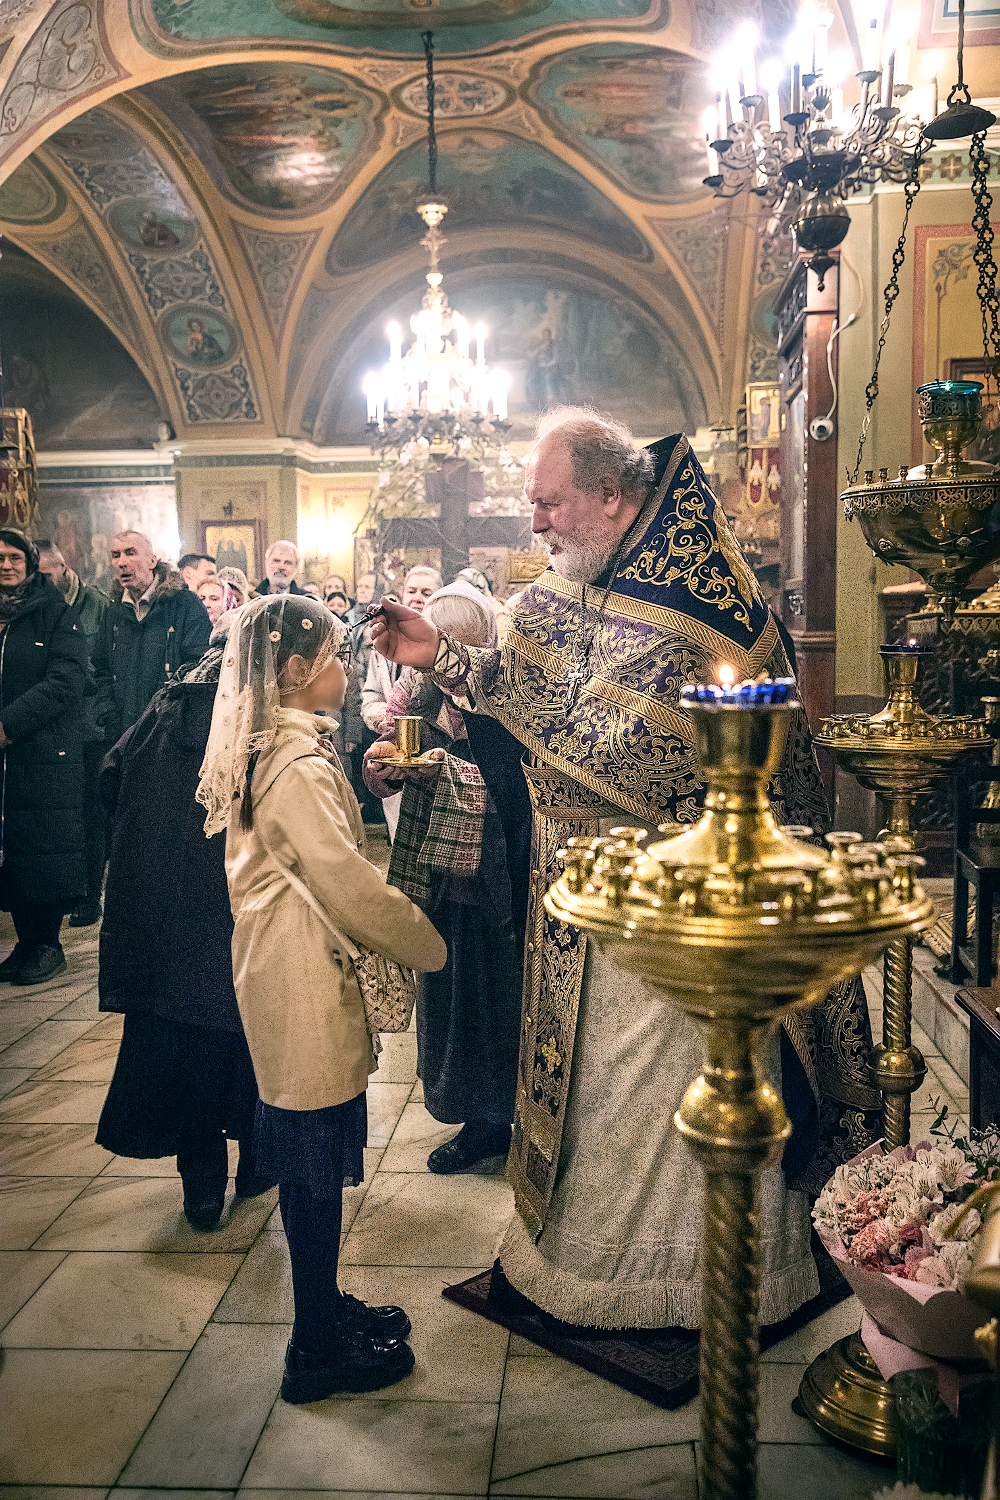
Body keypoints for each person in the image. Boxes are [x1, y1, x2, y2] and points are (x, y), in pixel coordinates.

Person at [369, 407, 881, 1335]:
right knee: (592, 1099)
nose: (537, 524)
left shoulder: (711, 610)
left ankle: (690, 1282)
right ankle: (581, 1256)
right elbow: (527, 692)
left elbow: (647, 751)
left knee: (663, 1095)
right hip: (574, 908)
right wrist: (437, 656)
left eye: (549, 503)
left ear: (610, 495)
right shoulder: (569, 591)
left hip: (681, 919)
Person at [197, 594, 446, 1401]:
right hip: (301, 973)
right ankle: (314, 1349)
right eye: (337, 658)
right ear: (300, 673)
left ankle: (325, 1307)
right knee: (309, 1163)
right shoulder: (297, 763)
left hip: (289, 967)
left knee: (315, 1146)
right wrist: (427, 942)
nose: (345, 670)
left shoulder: (283, 744)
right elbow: (344, 881)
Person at [95, 618, 271, 1230]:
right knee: (250, 1043)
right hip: (239, 915)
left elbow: (109, 780)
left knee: (185, 1050)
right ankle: (256, 1164)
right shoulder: (264, 724)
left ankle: (200, 1189)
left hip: (166, 924)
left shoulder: (163, 707)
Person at [365, 585, 528, 1173]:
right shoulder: (423, 686)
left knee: (506, 992)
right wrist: (384, 767)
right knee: (456, 990)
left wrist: (447, 770)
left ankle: (521, 1119)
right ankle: (478, 1119)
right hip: (450, 868)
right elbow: (398, 740)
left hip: (511, 873)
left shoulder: (511, 686)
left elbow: (517, 781)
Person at [0, 530, 88, 985]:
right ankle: (24, 942)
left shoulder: (54, 613)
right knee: (12, 849)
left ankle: (47, 944)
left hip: (41, 749)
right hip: (6, 760)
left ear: (31, 563)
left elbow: (65, 681)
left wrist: (8, 724)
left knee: (43, 848)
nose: (6, 565)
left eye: (15, 557)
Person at [36, 539, 110, 928]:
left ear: (63, 568)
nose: (44, 582)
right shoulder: (35, 610)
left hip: (89, 725)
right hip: (48, 727)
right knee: (58, 813)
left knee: (90, 812)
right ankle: (64, 887)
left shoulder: (98, 606)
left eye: (48, 575)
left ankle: (88, 893)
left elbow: (103, 666)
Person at [93, 531, 212, 744]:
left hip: (171, 736)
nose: (122, 562)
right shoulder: (113, 612)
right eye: (115, 555)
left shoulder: (184, 605)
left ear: (152, 560)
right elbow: (101, 668)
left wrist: (173, 717)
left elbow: (199, 667)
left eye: (130, 553)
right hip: (121, 734)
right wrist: (108, 713)